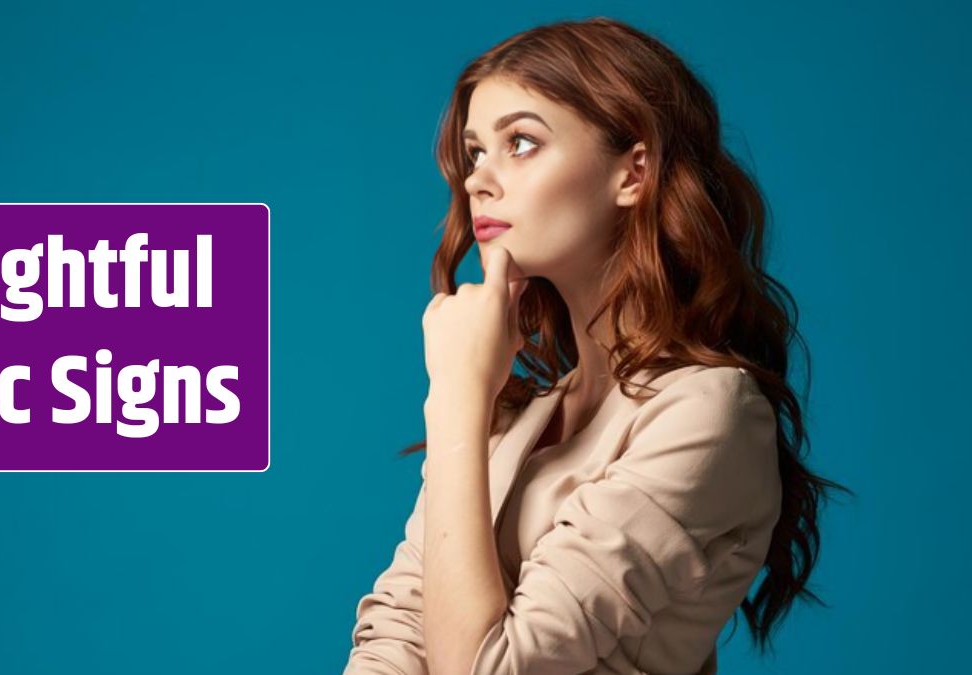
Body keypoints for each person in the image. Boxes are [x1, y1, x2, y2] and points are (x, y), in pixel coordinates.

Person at [342, 17, 850, 675]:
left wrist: (455, 397)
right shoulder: (509, 414)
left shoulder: (709, 412)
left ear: (633, 172)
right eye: (474, 152)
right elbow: (395, 632)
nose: (477, 181)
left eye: (520, 142)